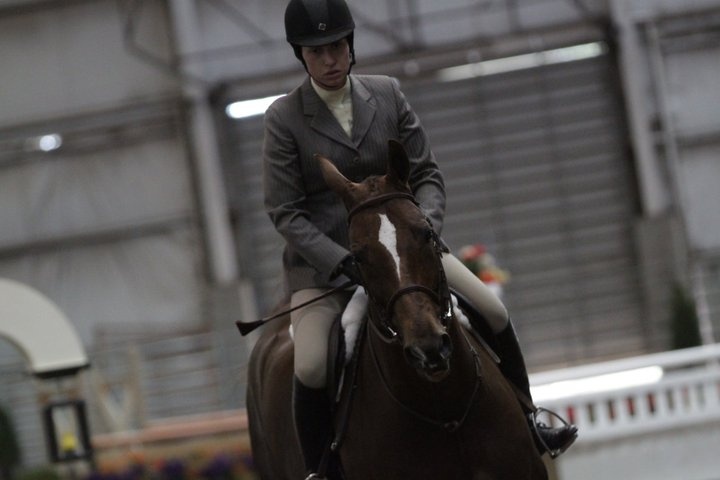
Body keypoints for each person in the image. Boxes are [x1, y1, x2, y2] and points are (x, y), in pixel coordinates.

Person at [263, 0, 578, 477]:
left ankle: (531, 420)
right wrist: (341, 260)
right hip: (329, 268)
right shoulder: (284, 118)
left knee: (492, 311)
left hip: (406, 253)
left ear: (350, 47)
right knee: (310, 363)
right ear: (300, 56)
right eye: (315, 51)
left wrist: (424, 228)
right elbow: (286, 210)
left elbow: (426, 172)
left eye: (335, 47)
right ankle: (322, 469)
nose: (328, 60)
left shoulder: (387, 94)